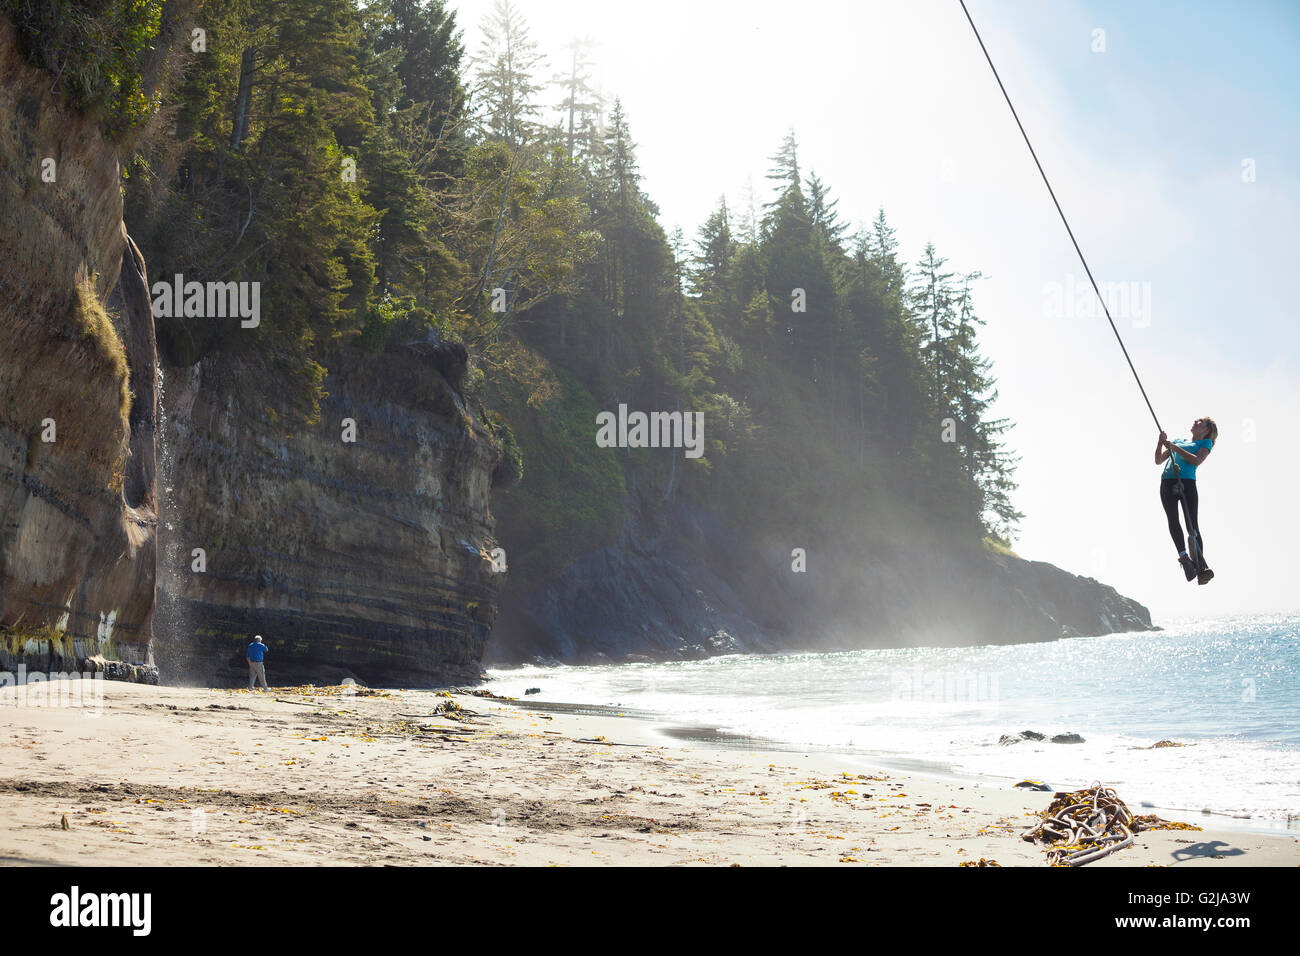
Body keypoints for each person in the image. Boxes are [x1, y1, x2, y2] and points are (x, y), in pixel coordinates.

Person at [1154, 417, 1217, 585]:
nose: (1195, 422)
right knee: (1173, 520)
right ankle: (1184, 559)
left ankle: (1200, 566)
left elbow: (1196, 460)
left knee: (1192, 525)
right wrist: (1160, 443)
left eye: (1200, 422)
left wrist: (1174, 448)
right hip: (1167, 482)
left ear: (1206, 430)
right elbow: (1159, 460)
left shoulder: (1205, 444)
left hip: (1187, 483)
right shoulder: (1177, 440)